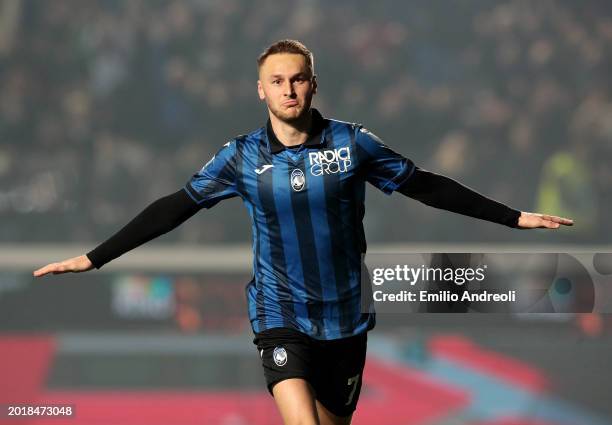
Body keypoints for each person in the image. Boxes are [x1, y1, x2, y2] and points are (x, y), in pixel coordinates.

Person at [33, 39, 573, 425]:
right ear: (260, 91)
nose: (289, 89)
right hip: (280, 313)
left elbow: (424, 185)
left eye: (297, 79)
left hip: (345, 318)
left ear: (313, 85)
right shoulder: (240, 156)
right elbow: (175, 207)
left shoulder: (353, 144)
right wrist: (95, 257)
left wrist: (514, 217)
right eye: (277, 81)